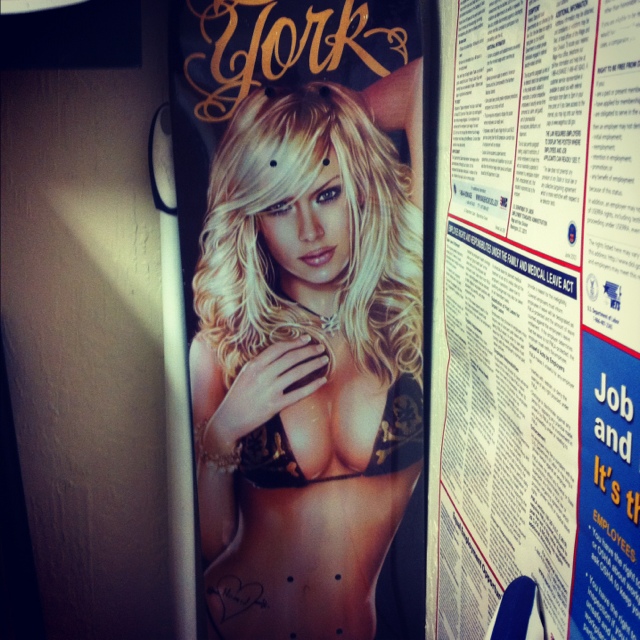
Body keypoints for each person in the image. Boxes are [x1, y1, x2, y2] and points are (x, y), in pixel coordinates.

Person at [189, 58, 424, 640]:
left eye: (327, 193)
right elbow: (213, 543)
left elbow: (425, 83)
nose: (309, 231)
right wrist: (222, 433)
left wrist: (330, 120)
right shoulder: (222, 347)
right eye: (278, 205)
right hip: (239, 620)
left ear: (358, 188)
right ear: (253, 220)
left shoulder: (404, 316)